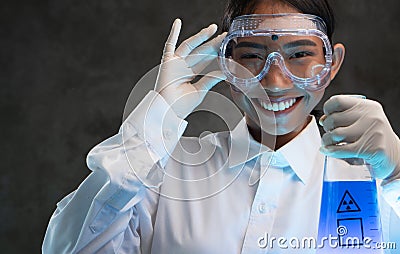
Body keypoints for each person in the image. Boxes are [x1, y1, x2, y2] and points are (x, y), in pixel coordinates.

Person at [43, 0, 400, 253]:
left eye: (300, 55)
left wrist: (397, 173)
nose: (275, 81)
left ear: (332, 62)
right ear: (225, 64)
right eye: (251, 56)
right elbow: (68, 248)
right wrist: (154, 122)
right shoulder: (164, 172)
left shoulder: (370, 181)